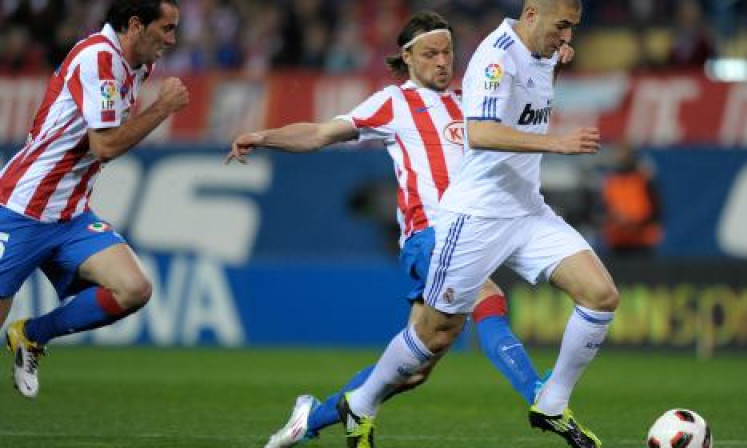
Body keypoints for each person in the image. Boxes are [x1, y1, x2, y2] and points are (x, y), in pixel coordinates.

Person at [226, 11, 564, 448]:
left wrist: (552, 55)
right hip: (430, 236)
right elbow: (318, 133)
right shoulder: (393, 102)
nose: (443, 61)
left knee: (414, 369)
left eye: (448, 52)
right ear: (407, 57)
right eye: (431, 53)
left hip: (473, 231)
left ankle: (312, 417)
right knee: (488, 296)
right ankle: (540, 396)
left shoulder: (470, 102)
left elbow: (525, 82)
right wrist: (264, 135)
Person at [336, 1, 619, 448]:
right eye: (562, 26)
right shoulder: (496, 56)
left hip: (526, 210)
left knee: (601, 296)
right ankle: (362, 402)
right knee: (434, 333)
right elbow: (480, 132)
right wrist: (558, 143)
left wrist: (556, 64)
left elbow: (525, 106)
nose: (568, 37)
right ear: (531, 14)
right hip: (476, 216)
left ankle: (550, 403)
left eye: (573, 28)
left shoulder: (544, 53)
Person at [0, 0, 188, 398]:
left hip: (70, 215)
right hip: (19, 209)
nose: (172, 39)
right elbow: (103, 146)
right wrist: (161, 109)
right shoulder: (97, 59)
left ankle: (31, 335)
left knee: (134, 288)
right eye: (167, 28)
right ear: (136, 24)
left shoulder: (138, 66)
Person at [601, 142, 662, 256]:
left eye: (624, 152)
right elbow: (604, 209)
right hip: (618, 241)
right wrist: (615, 220)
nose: (620, 156)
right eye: (618, 152)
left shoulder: (644, 179)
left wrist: (634, 224)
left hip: (642, 241)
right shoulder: (611, 180)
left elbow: (656, 210)